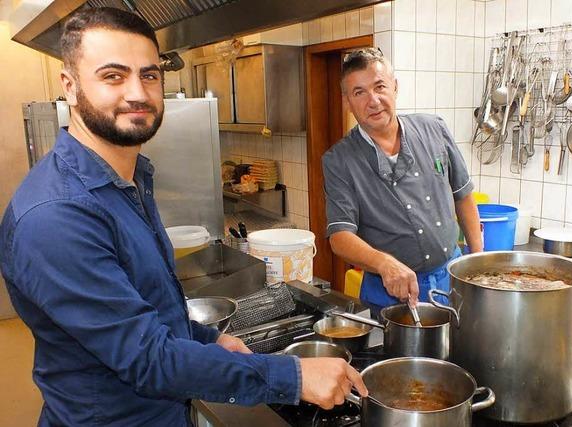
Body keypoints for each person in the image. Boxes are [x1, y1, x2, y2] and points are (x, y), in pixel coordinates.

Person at [0, 7, 366, 426]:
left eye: (149, 75)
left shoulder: (132, 178)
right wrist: (292, 375)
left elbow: (151, 307)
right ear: (70, 85)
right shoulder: (57, 216)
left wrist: (208, 340)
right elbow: (146, 358)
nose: (137, 92)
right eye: (113, 76)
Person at [322, 48, 482, 308]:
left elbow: (463, 195)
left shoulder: (434, 128)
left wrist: (477, 262)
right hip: (388, 292)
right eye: (359, 92)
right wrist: (384, 263)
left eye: (380, 86)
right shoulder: (338, 160)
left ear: (394, 87)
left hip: (452, 277)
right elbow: (340, 237)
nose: (373, 101)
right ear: (346, 102)